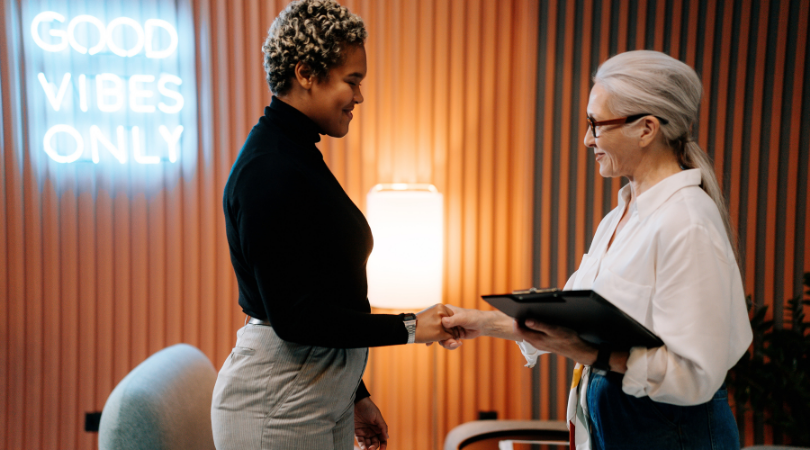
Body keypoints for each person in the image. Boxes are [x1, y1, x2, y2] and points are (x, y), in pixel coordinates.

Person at [439, 50, 753, 450]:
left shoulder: (686, 222)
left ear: (646, 129)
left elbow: (693, 375)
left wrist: (589, 353)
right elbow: (569, 325)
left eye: (596, 124)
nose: (587, 139)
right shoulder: (619, 217)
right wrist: (479, 322)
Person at [211, 2, 455, 450]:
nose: (359, 96)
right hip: (277, 404)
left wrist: (354, 393)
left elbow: (328, 290)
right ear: (306, 73)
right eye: (352, 81)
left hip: (316, 391)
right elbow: (296, 317)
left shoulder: (296, 153)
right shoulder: (269, 168)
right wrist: (412, 327)